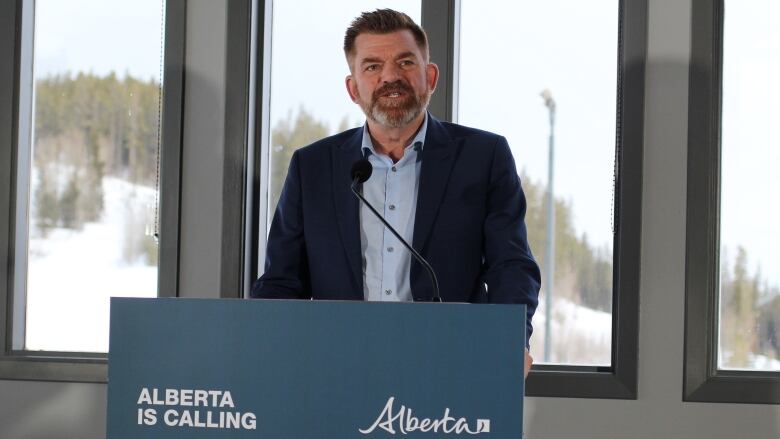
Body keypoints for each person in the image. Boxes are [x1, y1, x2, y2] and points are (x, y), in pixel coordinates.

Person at [251, 9, 540, 377]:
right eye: (372, 66)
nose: (390, 77)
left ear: (429, 77)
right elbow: (282, 281)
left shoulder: (484, 157)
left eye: (405, 62)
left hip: (450, 369)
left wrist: (509, 341)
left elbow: (511, 266)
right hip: (336, 372)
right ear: (354, 88)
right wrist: (262, 348)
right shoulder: (312, 167)